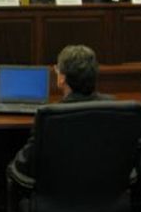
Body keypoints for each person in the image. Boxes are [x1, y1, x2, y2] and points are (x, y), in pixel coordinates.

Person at [7, 44, 112, 180]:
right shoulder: (116, 108)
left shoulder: (49, 116)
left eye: (57, 69)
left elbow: (25, 163)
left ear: (62, 78)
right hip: (104, 193)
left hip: (56, 196)